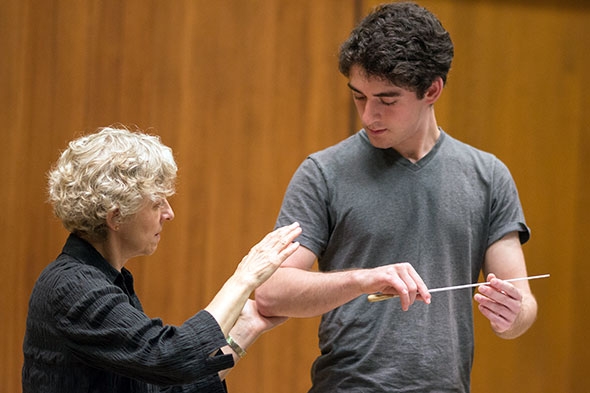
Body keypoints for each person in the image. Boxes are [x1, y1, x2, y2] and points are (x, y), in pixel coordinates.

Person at [255, 2, 538, 392]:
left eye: (387, 101)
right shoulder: (323, 172)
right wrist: (361, 280)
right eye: (359, 96)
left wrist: (513, 314)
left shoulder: (488, 176)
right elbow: (271, 292)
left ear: (432, 90)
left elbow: (523, 303)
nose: (369, 115)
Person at [22, 126, 302, 393]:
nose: (169, 214)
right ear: (115, 216)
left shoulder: (109, 281)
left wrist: (245, 329)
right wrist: (244, 278)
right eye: (157, 203)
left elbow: (165, 386)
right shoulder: (71, 288)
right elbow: (170, 355)